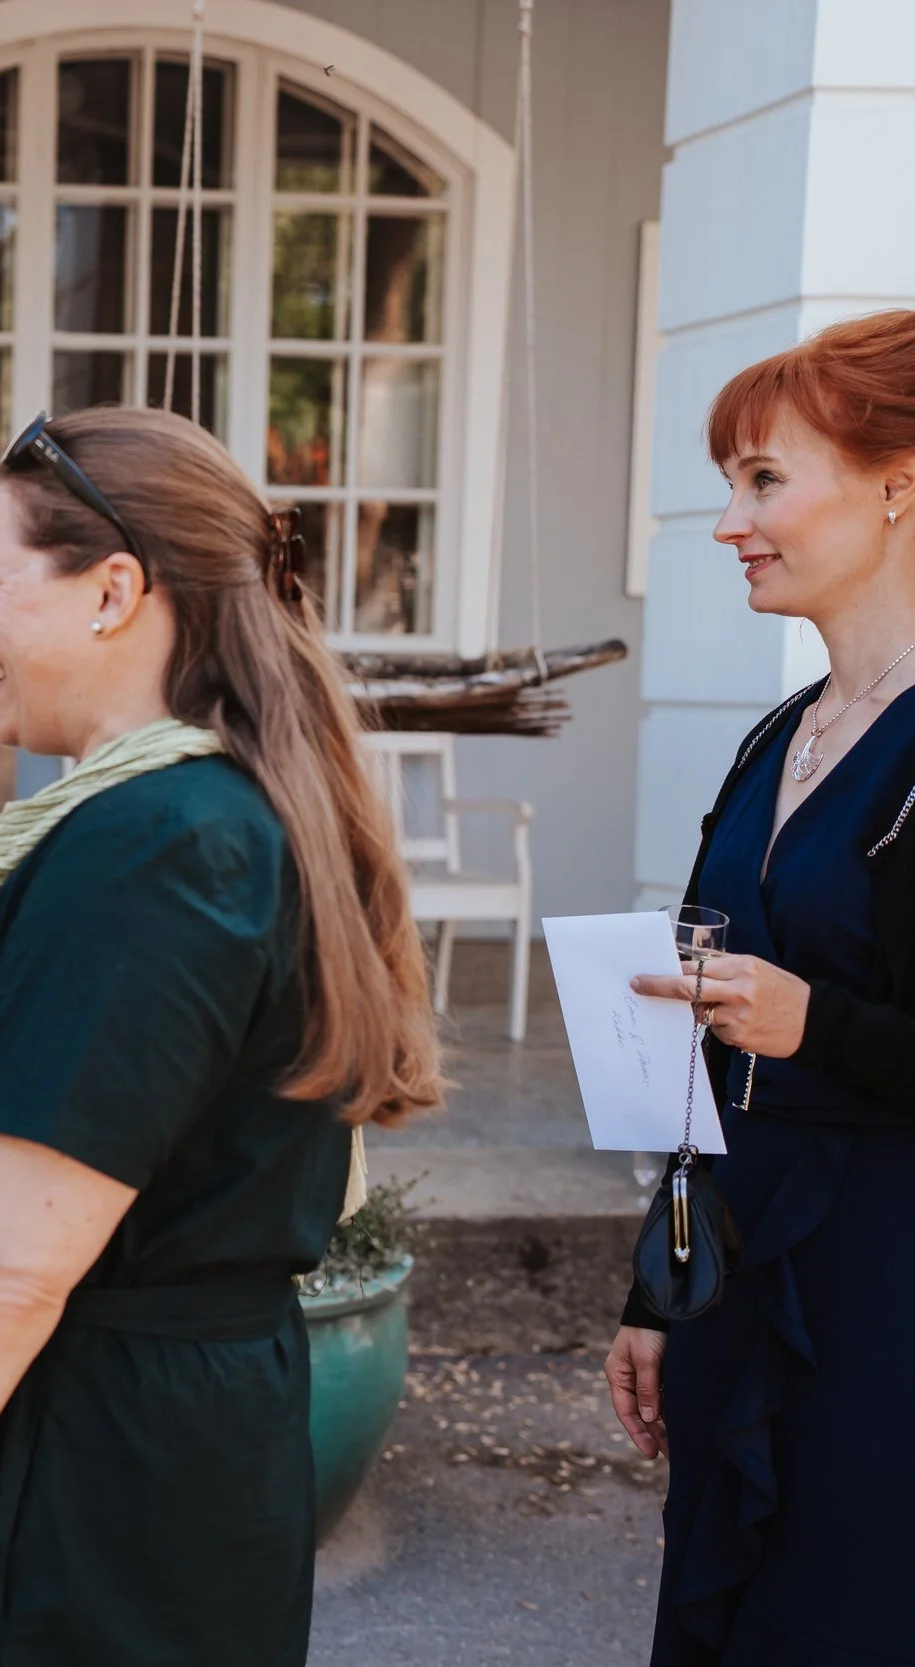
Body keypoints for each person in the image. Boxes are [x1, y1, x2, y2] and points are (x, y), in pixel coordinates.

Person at [0, 407, 442, 1667]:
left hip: (70, 1488)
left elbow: (7, 1265)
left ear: (114, 589)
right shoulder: (198, 818)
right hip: (137, 1461)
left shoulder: (158, 847)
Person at [606, 310, 915, 1665]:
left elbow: (806, 1018)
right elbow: (707, 1016)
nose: (730, 519)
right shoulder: (777, 735)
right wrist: (657, 1284)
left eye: (764, 479)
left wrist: (817, 1024)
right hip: (742, 1261)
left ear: (901, 481)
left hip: (887, 1290)